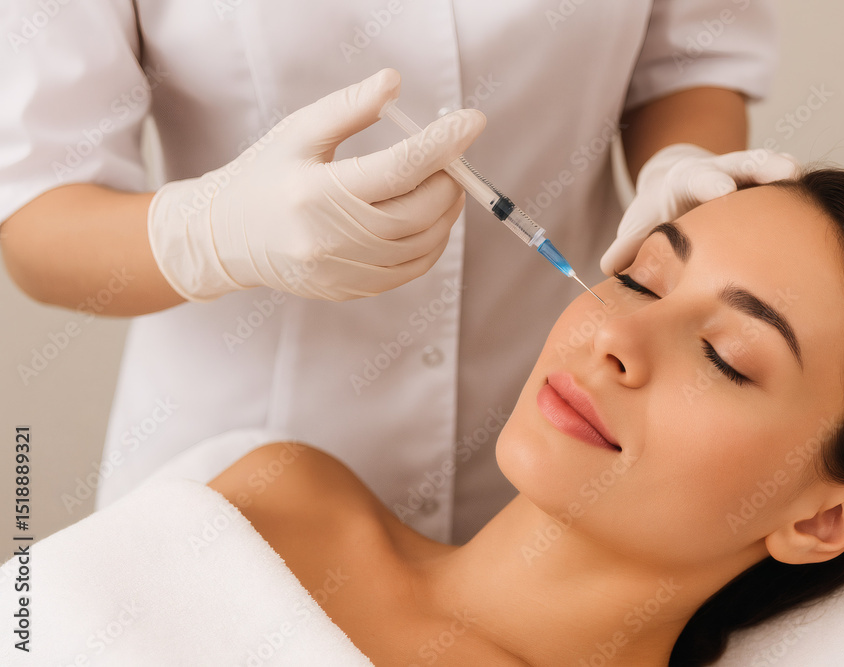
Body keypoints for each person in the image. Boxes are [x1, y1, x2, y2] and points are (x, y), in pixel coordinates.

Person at [0, 2, 797, 544]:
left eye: (730, 359)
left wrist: (680, 167)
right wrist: (213, 232)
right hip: (226, 476)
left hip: (539, 459)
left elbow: (685, 60)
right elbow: (36, 214)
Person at [202, 169, 844, 665]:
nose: (615, 333)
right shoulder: (281, 499)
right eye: (645, 279)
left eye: (725, 355)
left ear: (826, 520)